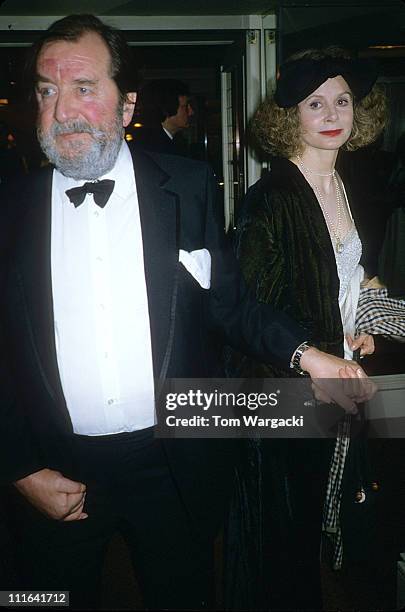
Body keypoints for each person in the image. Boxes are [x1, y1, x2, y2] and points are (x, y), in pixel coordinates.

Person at [0, 19, 373, 611]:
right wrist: (17, 467)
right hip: (54, 466)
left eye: (84, 88)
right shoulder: (10, 210)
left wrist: (310, 355)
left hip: (171, 462)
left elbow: (230, 305)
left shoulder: (188, 186)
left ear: (126, 106)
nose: (62, 109)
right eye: (47, 90)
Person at [224, 47, 386, 610]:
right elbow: (243, 315)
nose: (331, 113)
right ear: (289, 115)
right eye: (314, 103)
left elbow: (337, 276)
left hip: (338, 379)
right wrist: (312, 363)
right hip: (285, 395)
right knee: (281, 541)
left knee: (327, 517)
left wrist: (358, 317)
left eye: (341, 100)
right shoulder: (268, 201)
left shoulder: (345, 186)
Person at [134, 78, 194, 155]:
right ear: (169, 109)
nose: (191, 112)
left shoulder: (167, 142)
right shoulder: (155, 149)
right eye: (185, 107)